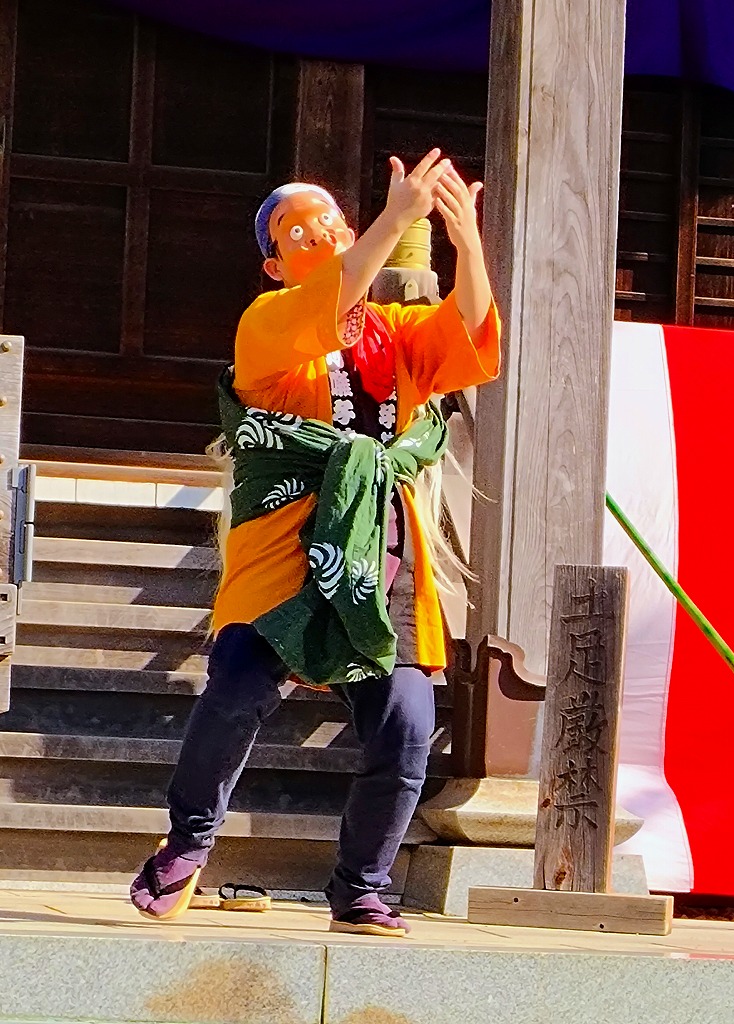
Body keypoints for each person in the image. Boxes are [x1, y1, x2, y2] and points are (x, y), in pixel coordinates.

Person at [130, 149, 500, 936]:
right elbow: (333, 303)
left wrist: (468, 246)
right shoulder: (266, 324)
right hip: (286, 543)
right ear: (274, 263)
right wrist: (398, 221)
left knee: (404, 723)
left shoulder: (394, 333)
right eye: (301, 229)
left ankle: (361, 885)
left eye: (334, 218)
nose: (323, 230)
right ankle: (188, 843)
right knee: (235, 689)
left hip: (380, 547)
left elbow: (467, 333)